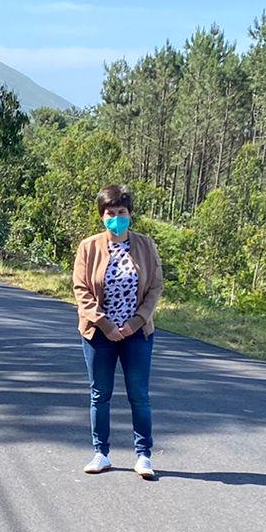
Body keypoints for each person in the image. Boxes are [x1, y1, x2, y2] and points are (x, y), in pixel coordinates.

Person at [72, 184, 162, 479]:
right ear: (102, 216)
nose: (116, 218)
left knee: (139, 395)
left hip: (137, 333)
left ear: (130, 214)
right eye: (110, 213)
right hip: (99, 334)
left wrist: (134, 323)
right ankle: (101, 453)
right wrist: (106, 325)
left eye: (121, 212)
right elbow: (81, 290)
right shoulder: (88, 247)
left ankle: (144, 456)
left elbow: (155, 287)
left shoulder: (146, 246)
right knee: (100, 394)